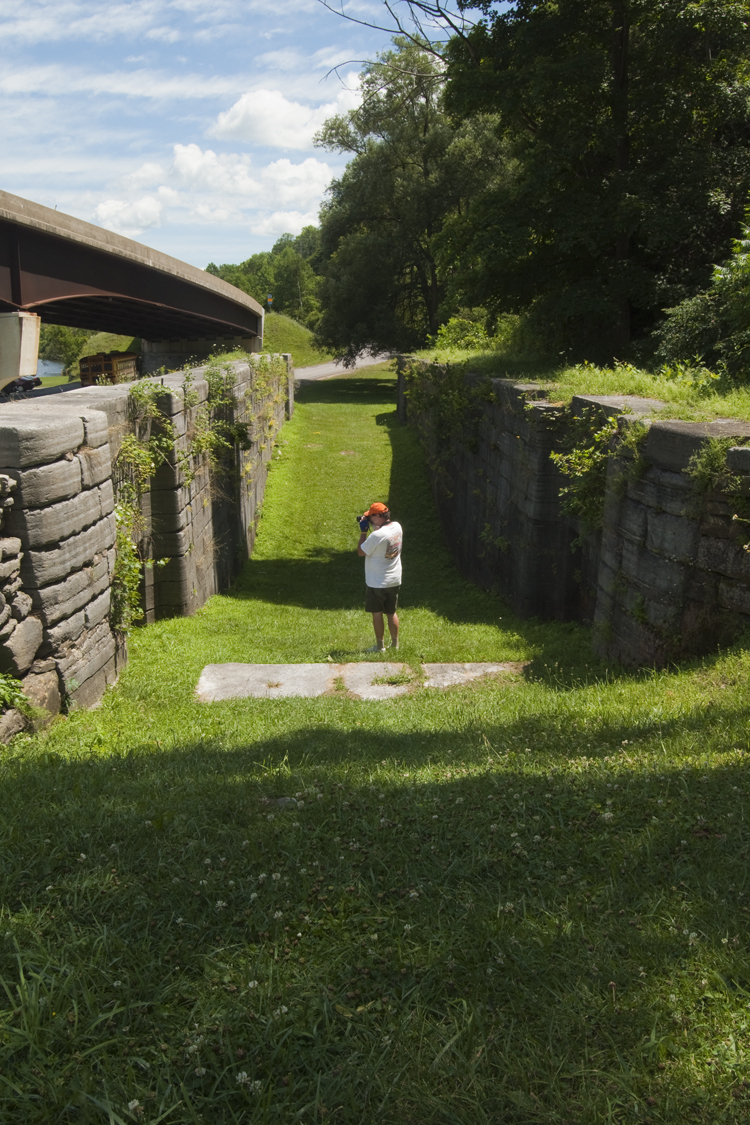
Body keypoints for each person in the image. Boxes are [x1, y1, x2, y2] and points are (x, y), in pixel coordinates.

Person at [357, 502, 403, 652]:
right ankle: (395, 646)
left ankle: (379, 647)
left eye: (371, 517)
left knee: (377, 614)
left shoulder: (376, 535)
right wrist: (373, 524)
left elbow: (361, 551)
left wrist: (364, 532)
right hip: (394, 579)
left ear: (378, 516)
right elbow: (383, 532)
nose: (369, 520)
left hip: (376, 582)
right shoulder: (397, 527)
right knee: (391, 613)